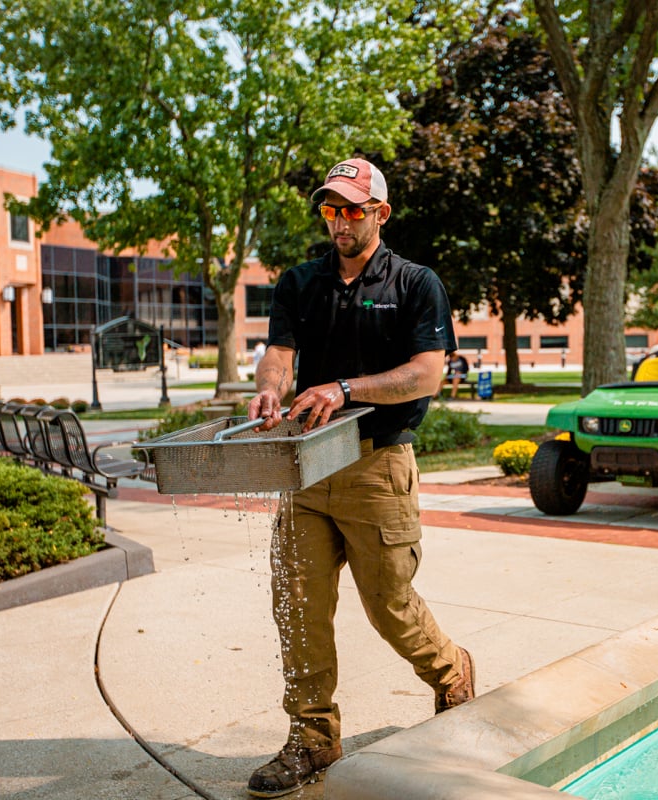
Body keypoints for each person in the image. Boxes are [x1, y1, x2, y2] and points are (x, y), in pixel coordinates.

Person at [245, 158, 475, 797]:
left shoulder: (415, 283)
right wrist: (269, 392)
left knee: (390, 607)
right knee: (298, 607)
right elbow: (280, 355)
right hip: (306, 468)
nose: (340, 221)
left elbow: (427, 372)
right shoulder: (301, 281)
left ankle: (452, 673)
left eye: (351, 208)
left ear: (380, 211)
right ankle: (312, 738)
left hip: (377, 465)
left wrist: (345, 389)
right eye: (330, 209)